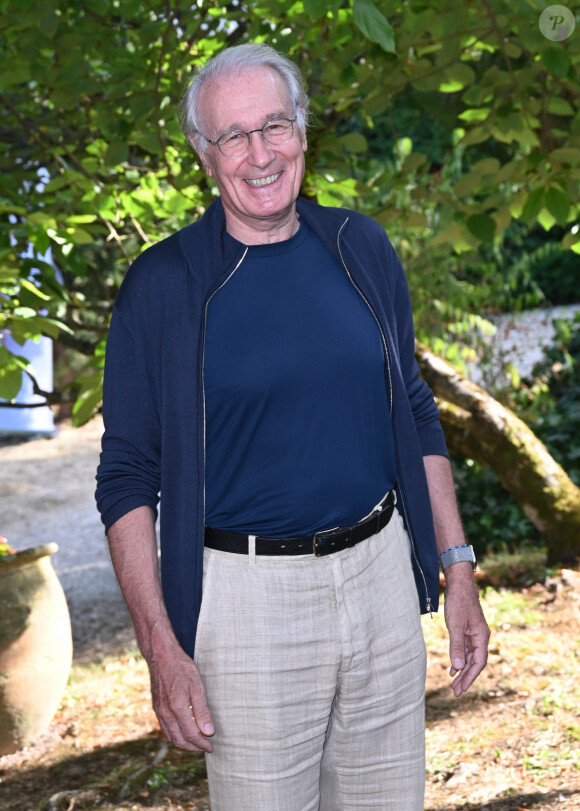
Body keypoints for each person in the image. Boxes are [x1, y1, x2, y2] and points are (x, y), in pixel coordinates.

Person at [96, 42, 490, 810]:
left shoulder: (361, 250)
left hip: (380, 582)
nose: (259, 153)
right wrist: (161, 647)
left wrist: (459, 566)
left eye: (274, 125)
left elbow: (413, 408)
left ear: (304, 131)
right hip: (246, 609)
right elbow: (126, 476)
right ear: (203, 156)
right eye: (234, 136)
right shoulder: (165, 287)